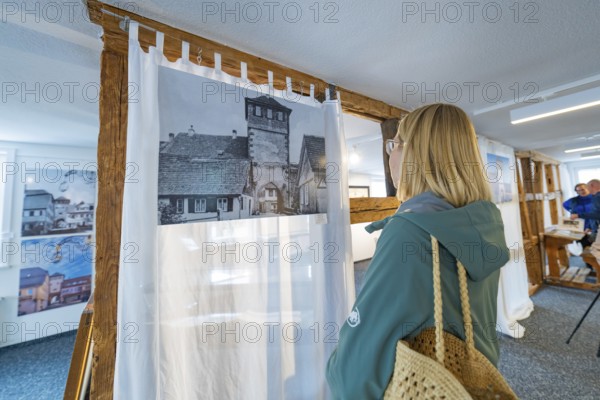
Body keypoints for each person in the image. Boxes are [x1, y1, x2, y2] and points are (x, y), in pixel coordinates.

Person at [326, 104, 509, 399]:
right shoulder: (485, 221)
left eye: (395, 144)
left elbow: (357, 367)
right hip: (471, 379)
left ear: (416, 154)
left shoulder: (411, 231)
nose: (390, 154)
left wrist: (336, 367)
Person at [570, 179, 600, 247]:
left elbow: (597, 215)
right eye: (578, 190)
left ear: (592, 186)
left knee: (580, 245)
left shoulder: (597, 197)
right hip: (594, 229)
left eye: (587, 187)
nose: (587, 189)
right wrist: (590, 227)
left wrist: (578, 215)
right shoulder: (595, 197)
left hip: (597, 232)